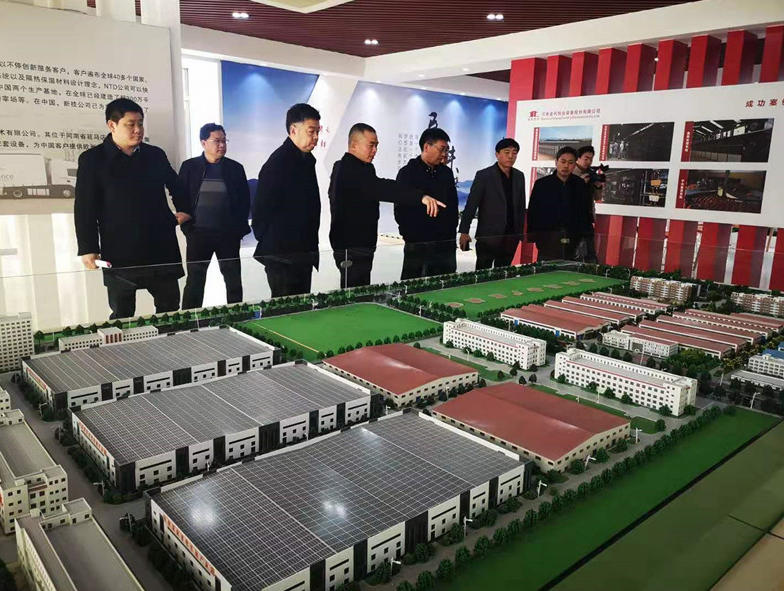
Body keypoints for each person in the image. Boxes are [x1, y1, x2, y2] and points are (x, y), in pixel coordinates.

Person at [75, 98, 190, 320]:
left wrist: (184, 211)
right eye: (131, 124)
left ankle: (170, 341)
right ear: (112, 125)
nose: (138, 130)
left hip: (160, 246)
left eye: (140, 123)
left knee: (169, 309)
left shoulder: (154, 154)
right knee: (123, 313)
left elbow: (176, 186)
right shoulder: (92, 160)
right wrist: (88, 248)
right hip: (120, 249)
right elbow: (84, 207)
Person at [329, 123, 444, 288]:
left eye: (376, 146)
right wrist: (420, 197)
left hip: (363, 245)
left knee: (361, 290)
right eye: (371, 145)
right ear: (354, 145)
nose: (374, 150)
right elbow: (382, 188)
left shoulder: (364, 168)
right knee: (353, 293)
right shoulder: (346, 169)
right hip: (350, 247)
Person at [177, 123, 250, 310]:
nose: (222, 145)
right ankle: (189, 319)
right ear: (203, 143)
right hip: (198, 234)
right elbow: (180, 197)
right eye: (217, 141)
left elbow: (244, 201)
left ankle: (236, 315)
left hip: (228, 234)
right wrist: (187, 228)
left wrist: (238, 230)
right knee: (195, 280)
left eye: (224, 141)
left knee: (233, 280)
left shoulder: (235, 168)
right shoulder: (189, 167)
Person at [253, 103, 322, 297]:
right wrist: (274, 242)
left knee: (302, 307)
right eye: (311, 131)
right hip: (282, 255)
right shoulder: (278, 163)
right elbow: (261, 210)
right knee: (284, 309)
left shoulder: (306, 160)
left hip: (303, 253)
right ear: (293, 130)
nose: (316, 137)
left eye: (317, 131)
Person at [395, 128, 459, 279]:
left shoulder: (446, 173)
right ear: (426, 147)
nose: (444, 154)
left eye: (446, 150)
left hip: (444, 245)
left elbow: (452, 206)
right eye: (441, 149)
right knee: (415, 286)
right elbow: (400, 210)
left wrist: (451, 236)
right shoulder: (408, 173)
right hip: (418, 245)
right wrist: (411, 237)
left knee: (445, 286)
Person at [458, 138, 526, 269]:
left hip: (511, 235)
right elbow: (472, 204)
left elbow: (520, 206)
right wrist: (464, 231)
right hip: (488, 236)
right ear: (497, 154)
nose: (511, 156)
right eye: (507, 152)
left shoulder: (519, 176)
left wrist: (520, 233)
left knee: (504, 272)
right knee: (483, 272)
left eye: (514, 153)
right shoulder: (484, 175)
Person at [527, 146, 593, 261]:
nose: (566, 166)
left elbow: (585, 211)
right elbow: (533, 211)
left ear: (575, 164)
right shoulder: (542, 184)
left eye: (570, 162)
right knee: (546, 269)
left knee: (569, 268)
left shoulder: (580, 184)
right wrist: (534, 236)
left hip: (572, 238)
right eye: (563, 161)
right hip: (547, 238)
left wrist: (584, 236)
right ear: (556, 162)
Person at [573, 145, 603, 263]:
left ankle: (591, 268)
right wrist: (580, 183)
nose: (589, 162)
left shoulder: (592, 174)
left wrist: (598, 186)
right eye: (586, 158)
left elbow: (597, 197)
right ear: (578, 158)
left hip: (587, 218)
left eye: (591, 159)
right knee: (574, 251)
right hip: (573, 218)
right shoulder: (571, 173)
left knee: (590, 252)